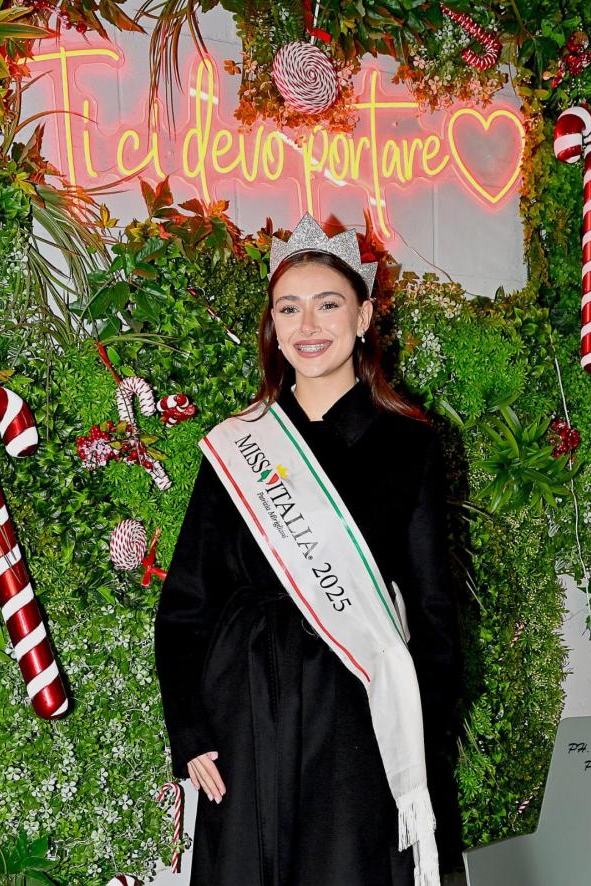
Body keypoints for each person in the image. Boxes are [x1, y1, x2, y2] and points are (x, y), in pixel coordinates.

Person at [154, 213, 463, 886]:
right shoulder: (239, 445)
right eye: (289, 308)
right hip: (245, 711)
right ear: (273, 324)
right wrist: (191, 728)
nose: (308, 325)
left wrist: (416, 733)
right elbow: (186, 603)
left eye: (328, 304)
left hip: (356, 716)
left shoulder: (408, 446)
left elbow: (435, 614)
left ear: (363, 316)